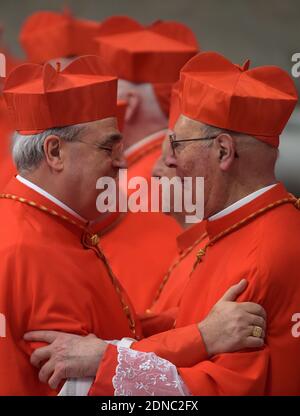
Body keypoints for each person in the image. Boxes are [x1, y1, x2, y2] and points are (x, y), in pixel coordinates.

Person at [26, 51, 300, 396]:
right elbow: (189, 321)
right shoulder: (241, 228)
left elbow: (214, 390)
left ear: (223, 152)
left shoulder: (261, 254)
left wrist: (107, 359)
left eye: (177, 145)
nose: (166, 163)